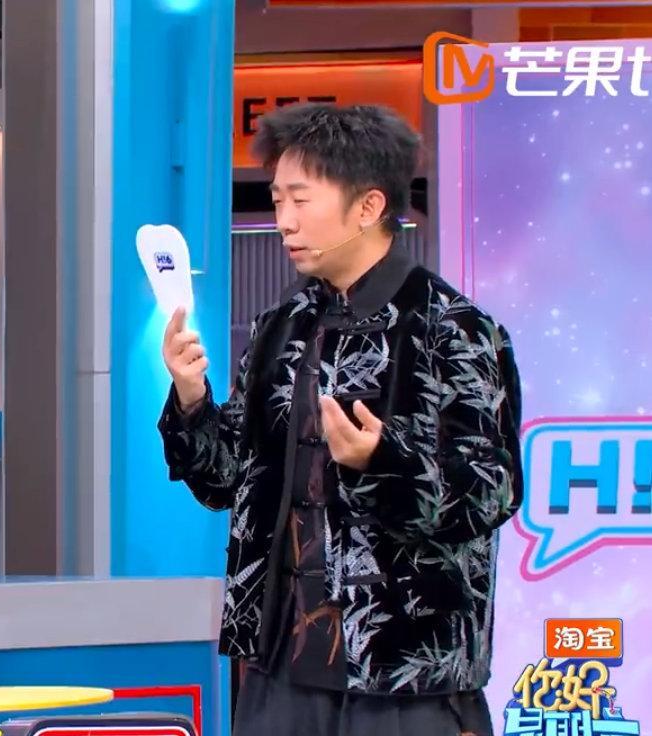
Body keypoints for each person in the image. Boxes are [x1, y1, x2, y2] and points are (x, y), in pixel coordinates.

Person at [157, 103, 522, 736]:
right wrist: (192, 400)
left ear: (368, 206)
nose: (284, 221)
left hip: (405, 676)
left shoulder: (454, 328)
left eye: (301, 199)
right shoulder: (280, 327)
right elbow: (226, 484)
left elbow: (492, 492)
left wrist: (380, 462)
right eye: (277, 200)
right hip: (277, 663)